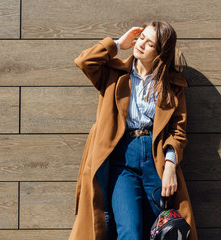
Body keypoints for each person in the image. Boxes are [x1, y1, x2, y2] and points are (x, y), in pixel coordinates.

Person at [69, 20, 198, 240]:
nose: (141, 44)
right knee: (130, 231)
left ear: (160, 53)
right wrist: (118, 43)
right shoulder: (113, 74)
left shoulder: (172, 85)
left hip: (156, 160)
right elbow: (84, 61)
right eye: (141, 38)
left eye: (149, 44)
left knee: (162, 231)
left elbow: (178, 131)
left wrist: (169, 167)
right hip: (122, 162)